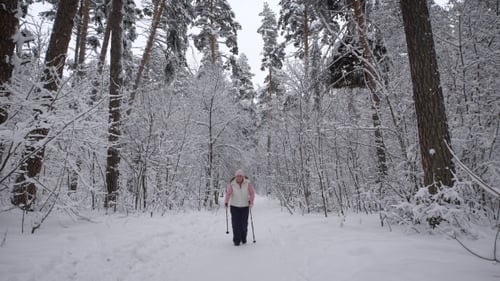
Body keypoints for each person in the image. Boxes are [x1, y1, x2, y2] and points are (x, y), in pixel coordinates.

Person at [224, 169, 255, 246]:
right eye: (238, 176)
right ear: (236, 176)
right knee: (235, 224)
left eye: (240, 176)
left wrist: (251, 202)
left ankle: (243, 238)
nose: (239, 177)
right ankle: (236, 240)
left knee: (244, 224)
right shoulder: (232, 184)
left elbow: (252, 193)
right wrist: (226, 202)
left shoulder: (247, 184)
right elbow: (228, 194)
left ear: (243, 176)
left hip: (245, 206)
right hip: (234, 206)